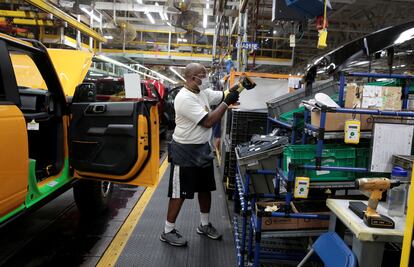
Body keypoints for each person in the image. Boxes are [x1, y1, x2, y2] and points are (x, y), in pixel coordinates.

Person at [160, 63, 240, 247]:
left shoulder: (201, 92)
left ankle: (204, 225)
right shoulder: (184, 98)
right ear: (190, 78)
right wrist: (227, 103)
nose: (204, 78)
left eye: (205, 74)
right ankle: (168, 230)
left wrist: (238, 89)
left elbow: (222, 95)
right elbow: (208, 122)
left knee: (205, 188)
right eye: (201, 75)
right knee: (179, 192)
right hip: (185, 151)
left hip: (202, 148)